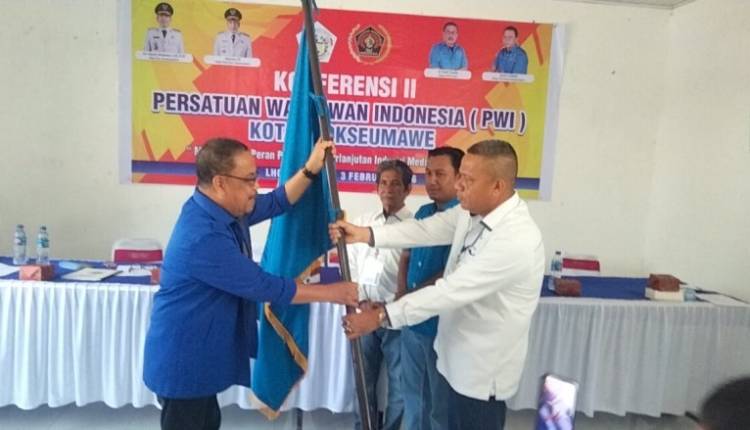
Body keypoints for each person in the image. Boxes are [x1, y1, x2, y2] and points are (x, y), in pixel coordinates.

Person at [143, 137, 357, 430]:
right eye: (249, 180)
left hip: (200, 357)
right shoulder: (203, 235)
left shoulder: (220, 209)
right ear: (220, 183)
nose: (255, 188)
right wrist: (333, 293)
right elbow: (264, 286)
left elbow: (277, 201)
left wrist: (310, 168)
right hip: (184, 360)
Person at [333, 140, 545, 430]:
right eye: (460, 177)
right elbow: (424, 229)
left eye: (468, 179)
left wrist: (382, 315)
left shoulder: (515, 239)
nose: (459, 186)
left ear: (497, 186)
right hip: (451, 362)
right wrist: (365, 234)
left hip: (479, 379)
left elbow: (450, 291)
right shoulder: (471, 213)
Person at [397, 147, 463, 430]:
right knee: (412, 397)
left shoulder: (464, 218)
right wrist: (401, 295)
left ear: (459, 177)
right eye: (428, 173)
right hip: (412, 321)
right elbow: (406, 255)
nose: (432, 180)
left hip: (440, 326)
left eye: (440, 174)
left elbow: (450, 273)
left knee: (439, 405)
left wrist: (412, 297)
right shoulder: (423, 212)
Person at [349, 160, 413, 430]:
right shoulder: (363, 224)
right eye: (383, 183)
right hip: (364, 313)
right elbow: (351, 264)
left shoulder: (415, 226)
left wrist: (387, 308)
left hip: (396, 317)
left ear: (407, 189)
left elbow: (413, 275)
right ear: (376, 188)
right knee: (363, 382)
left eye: (396, 183)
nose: (388, 189)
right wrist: (362, 301)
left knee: (399, 387)